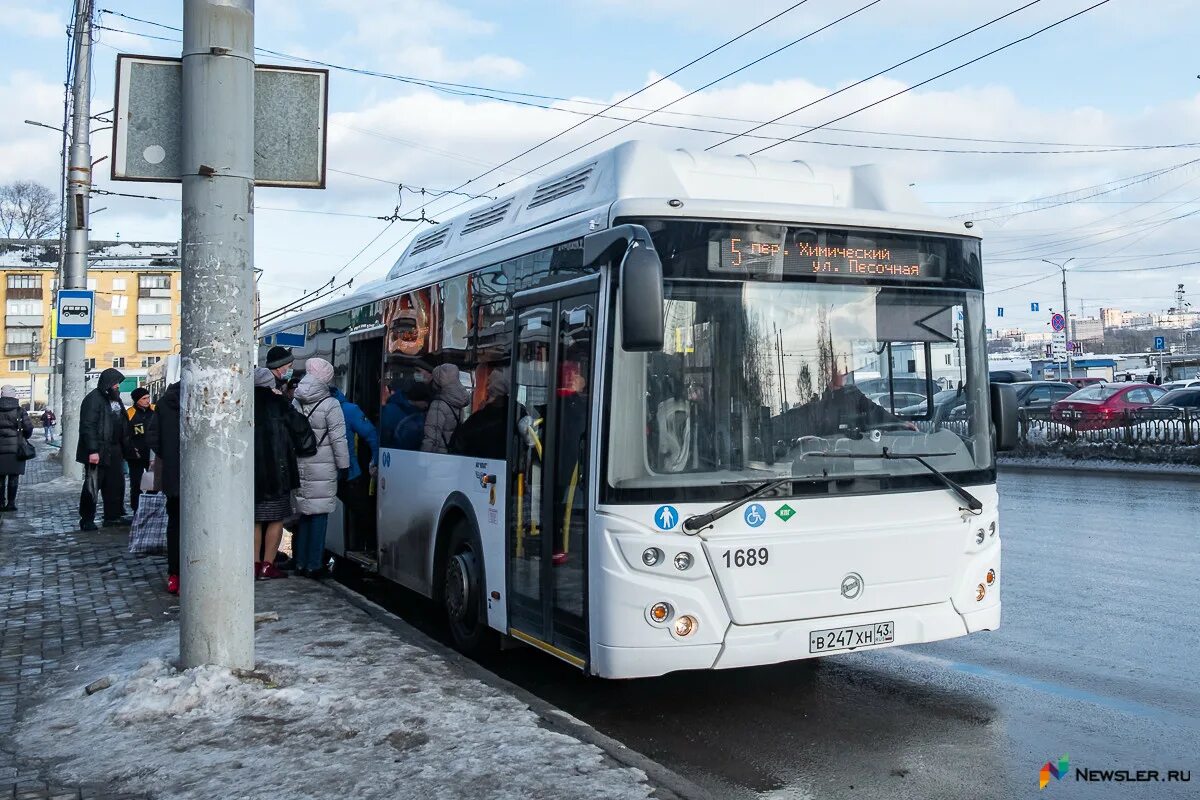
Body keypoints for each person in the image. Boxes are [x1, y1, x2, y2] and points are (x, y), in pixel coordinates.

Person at [292, 358, 349, 578]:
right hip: (323, 465)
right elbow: (338, 439)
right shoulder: (330, 404)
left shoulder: (297, 400)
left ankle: (299, 562)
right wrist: (344, 466)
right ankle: (314, 565)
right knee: (320, 516)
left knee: (305, 514)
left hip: (300, 462)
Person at [253, 367, 300, 580]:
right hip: (276, 471)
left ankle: (253, 564)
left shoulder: (242, 403)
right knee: (275, 519)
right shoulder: (279, 403)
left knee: (254, 520)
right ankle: (267, 565)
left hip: (249, 474)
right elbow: (298, 427)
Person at [76, 368, 130, 530]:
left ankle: (112, 516)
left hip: (114, 449)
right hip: (98, 450)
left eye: (118, 384)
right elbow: (88, 426)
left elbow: (122, 421)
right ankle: (87, 519)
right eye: (115, 384)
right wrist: (93, 450)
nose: (117, 387)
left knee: (114, 484)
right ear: (107, 384)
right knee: (93, 484)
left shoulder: (115, 399)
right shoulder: (94, 400)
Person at [330, 384, 379, 546]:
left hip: (316, 474)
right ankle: (368, 546)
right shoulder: (349, 410)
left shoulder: (304, 406)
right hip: (348, 474)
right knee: (365, 513)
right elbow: (372, 435)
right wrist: (375, 461)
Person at [146, 381, 180, 594]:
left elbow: (153, 437)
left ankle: (174, 575)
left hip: (173, 476)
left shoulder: (165, 402)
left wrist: (168, 456)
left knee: (175, 525)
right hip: (205, 479)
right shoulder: (207, 396)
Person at [452, 369, 511, 459]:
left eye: (489, 383)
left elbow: (462, 441)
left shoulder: (482, 416)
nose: (487, 388)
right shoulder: (515, 412)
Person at [421, 364, 469, 453]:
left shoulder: (438, 404)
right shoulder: (457, 401)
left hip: (439, 459)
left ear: (438, 381)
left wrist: (423, 460)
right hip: (453, 455)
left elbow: (432, 438)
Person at [0, 387, 34, 512]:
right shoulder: (20, 411)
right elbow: (28, 427)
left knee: (0, 477)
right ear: (14, 396)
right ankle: (11, 503)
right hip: (16, 448)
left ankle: (0, 503)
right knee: (14, 477)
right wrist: (23, 437)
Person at [125, 387, 155, 513]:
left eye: (148, 397)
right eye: (144, 399)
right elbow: (125, 434)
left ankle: (151, 507)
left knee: (153, 483)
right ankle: (136, 509)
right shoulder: (129, 413)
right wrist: (131, 449)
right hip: (136, 455)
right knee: (136, 483)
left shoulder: (155, 410)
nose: (147, 401)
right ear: (137, 400)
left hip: (152, 454)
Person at [380, 379, 432, 450]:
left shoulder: (390, 407)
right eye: (426, 402)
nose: (426, 405)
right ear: (419, 400)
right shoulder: (416, 418)